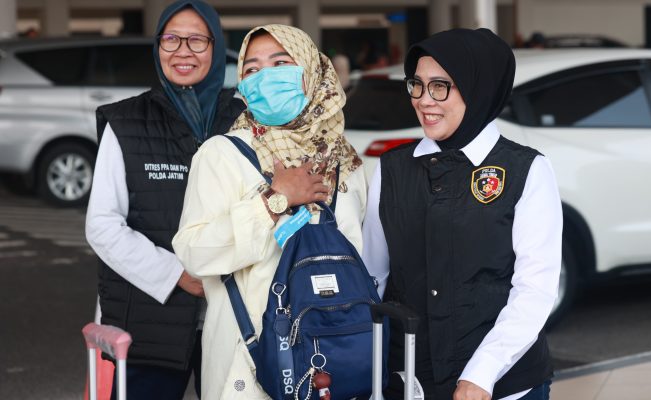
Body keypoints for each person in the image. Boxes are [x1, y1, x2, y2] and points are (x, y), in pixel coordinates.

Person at [362, 28, 562, 400]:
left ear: (477, 88)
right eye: (417, 85)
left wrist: (482, 373)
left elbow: (534, 289)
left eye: (440, 86)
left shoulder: (525, 169)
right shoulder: (392, 169)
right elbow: (372, 278)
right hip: (409, 382)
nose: (424, 100)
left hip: (502, 386)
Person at [171, 24, 367, 399]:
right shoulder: (222, 154)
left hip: (334, 359)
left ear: (311, 71)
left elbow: (365, 262)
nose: (265, 77)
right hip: (248, 362)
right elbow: (194, 252)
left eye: (280, 63)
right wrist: (274, 201)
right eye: (252, 69)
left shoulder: (346, 162)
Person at [85, 1, 244, 399]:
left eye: (197, 40)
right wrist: (178, 275)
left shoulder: (244, 120)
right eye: (171, 39)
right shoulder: (127, 121)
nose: (182, 51)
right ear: (157, 46)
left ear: (216, 46)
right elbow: (102, 225)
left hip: (234, 318)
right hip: (149, 321)